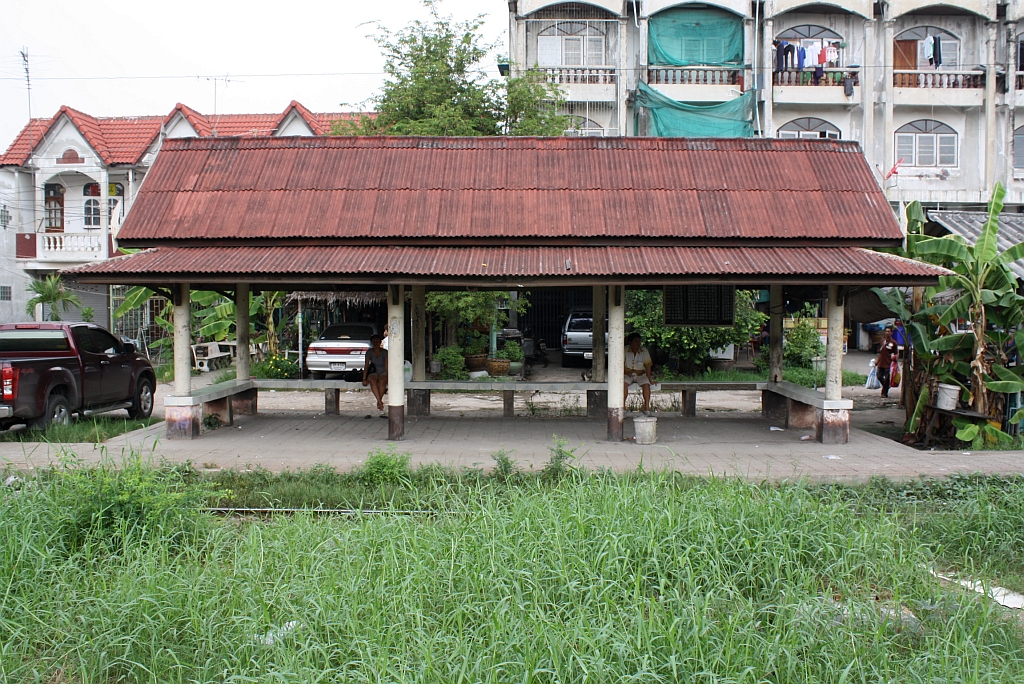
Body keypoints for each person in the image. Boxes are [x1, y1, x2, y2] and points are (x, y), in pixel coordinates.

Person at [624, 332, 654, 414]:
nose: (638, 343)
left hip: (640, 374)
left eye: (639, 341)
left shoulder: (644, 350)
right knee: (623, 385)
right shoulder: (624, 350)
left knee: (646, 385)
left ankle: (647, 408)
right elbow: (620, 365)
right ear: (630, 342)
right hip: (627, 374)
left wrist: (649, 379)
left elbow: (648, 366)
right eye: (635, 341)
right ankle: (623, 408)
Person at [363, 334, 389, 414]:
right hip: (374, 371)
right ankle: (380, 401)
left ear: (380, 342)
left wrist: (389, 377)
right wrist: (364, 378)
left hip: (383, 371)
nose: (375, 343)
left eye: (377, 341)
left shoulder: (385, 352)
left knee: (382, 381)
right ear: (371, 343)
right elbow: (366, 366)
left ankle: (379, 401)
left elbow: (387, 365)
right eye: (373, 342)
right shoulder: (369, 352)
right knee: (372, 380)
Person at [876, 326, 898, 398]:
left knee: (887, 378)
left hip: (889, 363)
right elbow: (880, 352)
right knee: (879, 376)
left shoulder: (893, 342)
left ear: (891, 333)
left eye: (889, 331)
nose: (887, 333)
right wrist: (877, 361)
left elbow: (896, 353)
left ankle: (884, 393)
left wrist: (895, 359)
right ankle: (886, 386)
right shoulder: (882, 341)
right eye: (886, 331)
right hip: (881, 362)